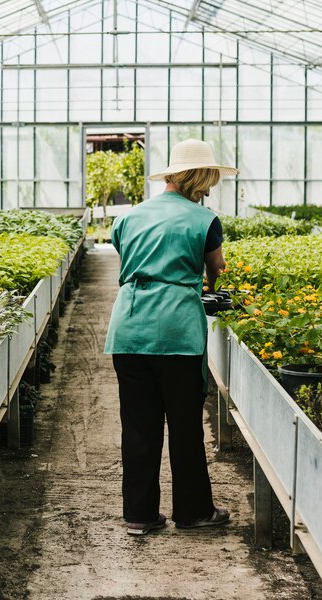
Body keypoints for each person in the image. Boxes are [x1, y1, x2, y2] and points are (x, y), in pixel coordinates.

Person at [103, 138, 238, 536]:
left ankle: (140, 516)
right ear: (198, 177)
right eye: (209, 180)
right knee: (184, 427)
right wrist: (206, 284)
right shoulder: (204, 220)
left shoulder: (130, 217)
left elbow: (126, 258)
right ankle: (194, 511)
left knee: (139, 427)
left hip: (128, 328)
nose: (211, 188)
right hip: (176, 331)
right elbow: (217, 269)